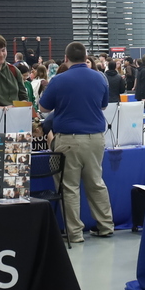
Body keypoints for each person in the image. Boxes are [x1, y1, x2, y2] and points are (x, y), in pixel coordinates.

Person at [38, 42, 115, 243]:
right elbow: (104, 105)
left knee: (69, 187)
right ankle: (106, 225)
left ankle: (75, 233)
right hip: (96, 138)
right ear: (86, 56)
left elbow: (44, 108)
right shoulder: (100, 78)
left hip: (68, 139)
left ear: (66, 58)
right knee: (96, 183)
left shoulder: (59, 80)